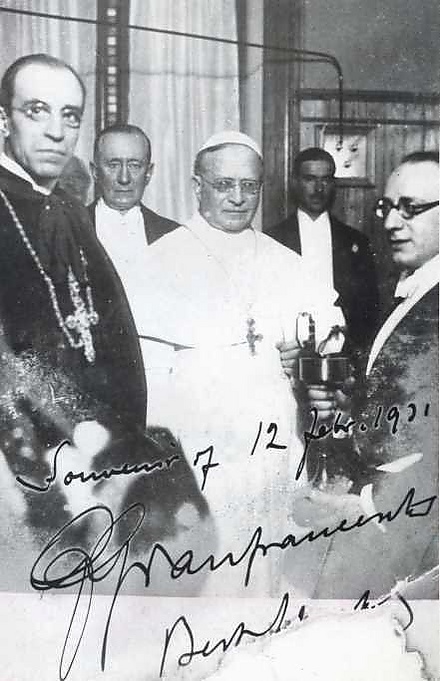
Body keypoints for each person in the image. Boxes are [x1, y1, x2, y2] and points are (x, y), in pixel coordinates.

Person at [0, 54, 210, 592]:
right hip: (24, 469)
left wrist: (120, 447)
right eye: (37, 111)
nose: (56, 131)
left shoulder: (68, 211)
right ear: (3, 120)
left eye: (70, 115)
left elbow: (110, 337)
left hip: (93, 463)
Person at [129, 130, 345, 595]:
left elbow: (329, 334)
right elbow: (149, 378)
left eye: (249, 186)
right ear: (197, 186)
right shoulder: (159, 260)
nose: (237, 197)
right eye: (224, 184)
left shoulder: (282, 259)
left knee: (269, 568)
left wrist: (304, 354)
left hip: (272, 444)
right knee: (208, 575)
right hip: (199, 447)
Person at [285, 151, 439, 597]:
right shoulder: (414, 289)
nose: (391, 222)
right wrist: (348, 408)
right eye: (386, 207)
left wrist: (365, 506)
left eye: (411, 208)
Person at [267, 147, 380, 360]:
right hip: (288, 357)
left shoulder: (356, 242)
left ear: (333, 184)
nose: (318, 188)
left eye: (325, 180)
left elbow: (369, 309)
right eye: (310, 179)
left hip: (343, 359)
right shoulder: (272, 240)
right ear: (295, 182)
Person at [88, 124, 179, 291]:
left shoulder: (175, 236)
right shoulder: (68, 229)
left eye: (134, 165)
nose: (124, 178)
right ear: (95, 171)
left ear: (149, 173)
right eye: (113, 165)